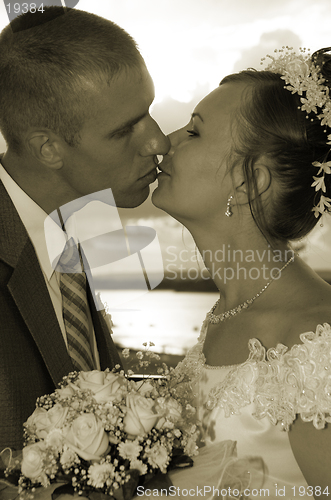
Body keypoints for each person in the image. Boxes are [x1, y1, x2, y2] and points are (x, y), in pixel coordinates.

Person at [152, 47, 331, 497]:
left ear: (251, 180)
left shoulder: (318, 338)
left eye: (193, 131)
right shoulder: (224, 313)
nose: (165, 141)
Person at [0, 6, 169, 453]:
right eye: (123, 131)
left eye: (148, 112)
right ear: (48, 148)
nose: (158, 142)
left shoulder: (72, 232)